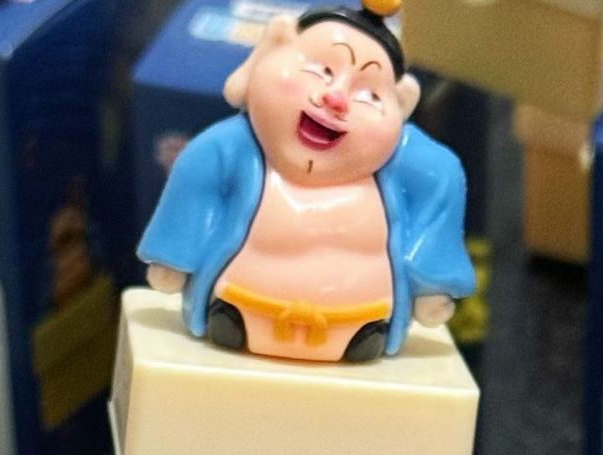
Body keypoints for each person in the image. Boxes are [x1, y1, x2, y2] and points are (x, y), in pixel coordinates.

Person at [138, 2, 473, 363]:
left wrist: (430, 282)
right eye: (321, 71)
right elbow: (196, 187)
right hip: (242, 305)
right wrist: (175, 257)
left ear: (401, 106)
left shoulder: (403, 164)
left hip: (357, 320)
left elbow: (442, 183)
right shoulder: (232, 147)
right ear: (274, 50)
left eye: (370, 95)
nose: (336, 98)